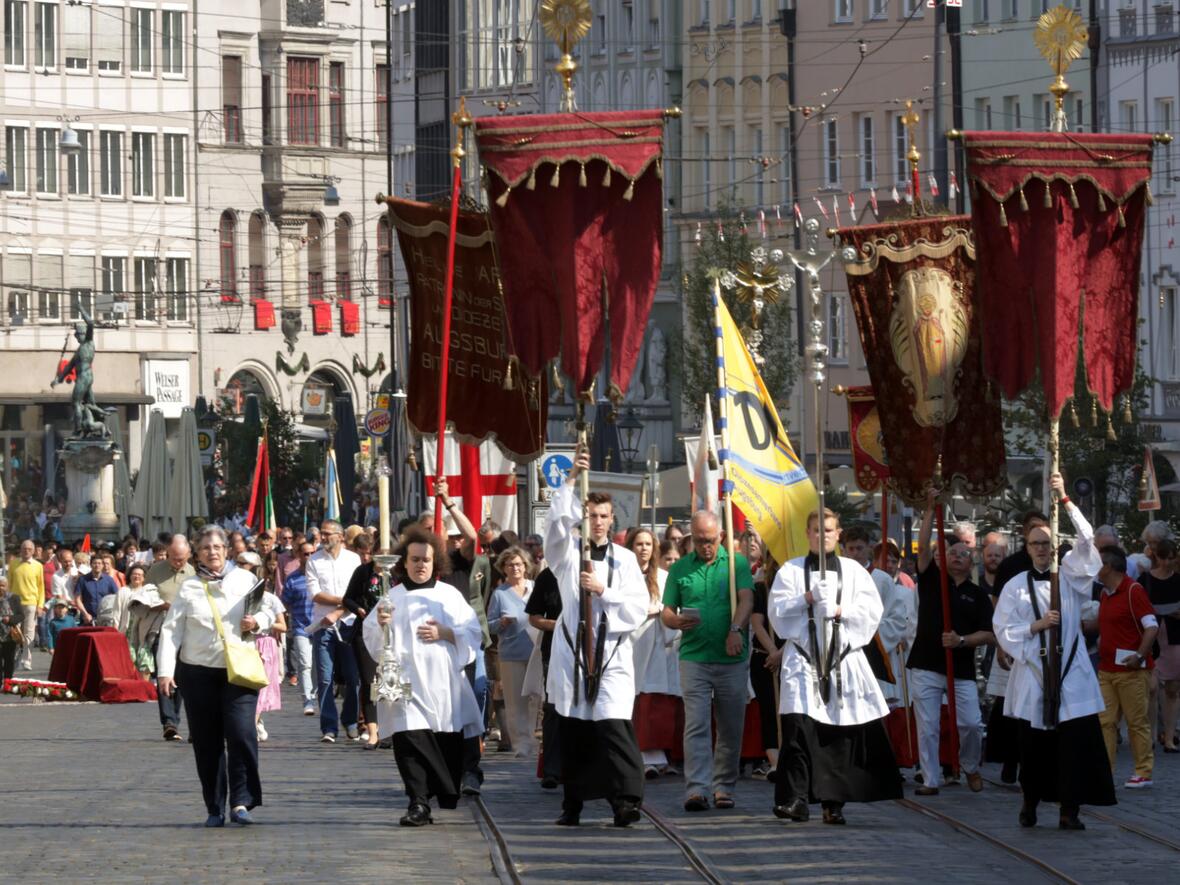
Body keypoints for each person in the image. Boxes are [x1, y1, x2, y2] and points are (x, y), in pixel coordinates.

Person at [992, 473, 1116, 830]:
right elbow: (1004, 630)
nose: (1042, 549)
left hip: (1071, 671)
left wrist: (1065, 499)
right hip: (1034, 671)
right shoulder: (1016, 586)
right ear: (1026, 547)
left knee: (1074, 746)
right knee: (1034, 747)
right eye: (1035, 544)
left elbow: (1088, 539)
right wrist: (1036, 626)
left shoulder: (1072, 577)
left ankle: (1070, 810)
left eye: (1047, 542)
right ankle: (1030, 803)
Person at [769, 508, 902, 825]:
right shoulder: (790, 570)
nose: (822, 535)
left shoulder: (855, 572)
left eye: (828, 530)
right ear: (808, 533)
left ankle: (833, 802)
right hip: (802, 658)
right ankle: (796, 799)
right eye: (816, 530)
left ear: (838, 533)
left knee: (835, 732)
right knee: (798, 729)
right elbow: (777, 611)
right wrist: (807, 598)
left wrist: (841, 608)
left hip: (841, 658)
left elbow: (872, 611)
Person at [544, 444, 649, 827]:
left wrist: (605, 590)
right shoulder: (568, 554)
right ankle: (572, 803)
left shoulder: (624, 560)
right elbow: (554, 528)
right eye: (591, 516)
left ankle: (626, 800)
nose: (599, 522)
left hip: (611, 656)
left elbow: (637, 608)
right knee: (575, 730)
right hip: (575, 653)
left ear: (612, 518)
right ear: (583, 518)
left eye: (604, 516)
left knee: (613, 726)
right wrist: (571, 477)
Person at [361, 526, 483, 826]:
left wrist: (446, 632)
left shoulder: (449, 595)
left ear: (435, 561)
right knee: (409, 738)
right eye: (414, 559)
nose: (420, 565)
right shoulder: (393, 596)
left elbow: (473, 632)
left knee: (442, 740)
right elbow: (372, 637)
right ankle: (417, 802)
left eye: (425, 560)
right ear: (404, 562)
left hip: (442, 683)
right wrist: (380, 622)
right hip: (406, 682)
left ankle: (437, 793)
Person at [157, 525, 277, 827]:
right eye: (206, 548)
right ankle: (214, 806)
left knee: (241, 733)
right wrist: (165, 672)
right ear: (197, 553)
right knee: (207, 743)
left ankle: (241, 801)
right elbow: (172, 631)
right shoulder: (189, 588)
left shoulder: (246, 579)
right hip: (198, 673)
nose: (212, 552)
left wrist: (257, 622)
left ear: (227, 550)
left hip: (238, 672)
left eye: (218, 547)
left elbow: (270, 612)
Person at [662, 511, 753, 810]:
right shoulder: (681, 569)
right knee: (697, 724)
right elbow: (666, 611)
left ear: (721, 537)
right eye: (699, 541)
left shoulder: (736, 563)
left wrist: (735, 629)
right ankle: (697, 789)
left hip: (731, 658)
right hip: (695, 657)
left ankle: (723, 786)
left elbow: (746, 600)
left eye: (711, 541)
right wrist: (675, 621)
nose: (706, 547)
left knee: (730, 725)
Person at [908, 491, 995, 795]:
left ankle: (969, 765)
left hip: (960, 667)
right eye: (951, 552)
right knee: (928, 724)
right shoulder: (932, 579)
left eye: (962, 554)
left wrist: (961, 641)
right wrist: (931, 510)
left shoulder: (978, 594)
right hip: (926, 663)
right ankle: (930, 778)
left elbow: (989, 633)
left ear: (971, 562)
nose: (956, 556)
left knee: (970, 723)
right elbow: (921, 551)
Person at [1095, 545, 1158, 789]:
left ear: (1108, 567)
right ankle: (1105, 771)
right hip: (1107, 669)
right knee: (1105, 722)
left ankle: (1143, 771)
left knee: (1136, 721)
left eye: (1098, 563)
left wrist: (1140, 656)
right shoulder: (1104, 593)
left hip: (1132, 671)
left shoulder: (1134, 590)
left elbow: (1151, 626)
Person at [626, 527, 681, 779]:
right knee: (633, 699)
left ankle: (659, 754)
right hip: (630, 642)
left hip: (658, 643)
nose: (644, 548)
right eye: (639, 544)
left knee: (656, 701)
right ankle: (637, 754)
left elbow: (671, 605)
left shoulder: (664, 576)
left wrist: (664, 613)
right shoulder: (623, 573)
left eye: (648, 544)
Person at [305, 519, 362, 743]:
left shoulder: (353, 559)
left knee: (352, 677)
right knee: (325, 677)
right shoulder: (314, 561)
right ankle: (329, 727)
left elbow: (358, 591)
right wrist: (344, 601)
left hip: (349, 624)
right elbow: (315, 594)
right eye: (323, 533)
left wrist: (343, 607)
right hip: (324, 624)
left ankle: (350, 721)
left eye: (329, 534)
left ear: (340, 536)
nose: (324, 537)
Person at [487, 546, 538, 756]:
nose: (515, 568)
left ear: (526, 567)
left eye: (519, 564)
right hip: (511, 653)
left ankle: (533, 738)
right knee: (515, 700)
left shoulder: (535, 588)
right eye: (510, 565)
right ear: (503, 569)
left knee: (536, 697)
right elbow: (489, 625)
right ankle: (520, 744)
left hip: (536, 652)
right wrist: (501, 622)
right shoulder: (499, 594)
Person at [146, 534, 196, 742]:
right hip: (161, 629)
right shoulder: (155, 571)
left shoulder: (193, 573)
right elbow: (145, 596)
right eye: (174, 558)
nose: (178, 562)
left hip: (187, 632)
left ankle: (186, 721)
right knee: (164, 675)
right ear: (167, 553)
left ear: (189, 555)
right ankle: (169, 722)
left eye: (182, 558)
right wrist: (161, 604)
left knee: (184, 678)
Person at [343, 534, 386, 750]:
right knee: (370, 681)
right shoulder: (363, 572)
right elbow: (347, 598)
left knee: (392, 680)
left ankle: (391, 729)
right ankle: (372, 731)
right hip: (366, 632)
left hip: (392, 632)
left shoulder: (397, 574)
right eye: (381, 553)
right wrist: (358, 609)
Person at [525, 566, 563, 788]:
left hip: (589, 650)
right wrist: (558, 626)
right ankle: (551, 768)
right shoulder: (548, 576)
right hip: (555, 649)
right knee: (553, 706)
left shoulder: (593, 569)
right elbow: (534, 617)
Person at [1143, 539, 1180, 752]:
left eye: (1170, 557)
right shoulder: (1145, 579)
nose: (1167, 562)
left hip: (1174, 637)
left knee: (1173, 689)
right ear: (1156, 557)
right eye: (1163, 557)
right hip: (1151, 639)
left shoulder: (1178, 580)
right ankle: (1149, 737)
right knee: (1151, 688)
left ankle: (1169, 736)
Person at [750, 554, 783, 776]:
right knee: (769, 710)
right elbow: (756, 622)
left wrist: (782, 652)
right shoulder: (762, 588)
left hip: (790, 654)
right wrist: (772, 651)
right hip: (764, 656)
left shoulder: (800, 590)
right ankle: (774, 761)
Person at [283, 541, 317, 715]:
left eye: (312, 553)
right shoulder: (292, 579)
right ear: (299, 555)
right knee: (305, 664)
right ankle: (307, 700)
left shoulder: (321, 576)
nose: (309, 556)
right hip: (301, 628)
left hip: (320, 627)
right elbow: (286, 602)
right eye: (306, 553)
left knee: (319, 667)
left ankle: (315, 693)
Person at [253, 586, 287, 743]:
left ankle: (252, 723)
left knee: (261, 686)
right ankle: (255, 721)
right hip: (245, 643)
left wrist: (263, 623)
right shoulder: (238, 597)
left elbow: (283, 626)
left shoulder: (271, 599)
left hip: (265, 643)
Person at [9, 540, 44, 669]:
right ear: (20, 549)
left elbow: (41, 587)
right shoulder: (13, 564)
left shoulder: (38, 566)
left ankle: (27, 659)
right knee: (14, 632)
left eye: (29, 549)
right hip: (14, 603)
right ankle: (13, 657)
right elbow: (9, 584)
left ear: (33, 551)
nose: (26, 551)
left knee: (29, 632)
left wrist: (40, 605)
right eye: (24, 548)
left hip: (31, 602)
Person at [73, 554, 117, 628]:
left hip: (105, 619)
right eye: (94, 563)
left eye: (99, 563)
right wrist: (85, 614)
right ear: (90, 565)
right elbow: (77, 599)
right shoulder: (83, 580)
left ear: (103, 565)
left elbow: (116, 597)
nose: (97, 565)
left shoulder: (109, 580)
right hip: (87, 619)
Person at [0, 581, 26, 680]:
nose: (0, 588)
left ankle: (7, 682)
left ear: (7, 587)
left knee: (9, 661)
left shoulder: (13, 598)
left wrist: (10, 619)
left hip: (10, 635)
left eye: (2, 585)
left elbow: (21, 615)